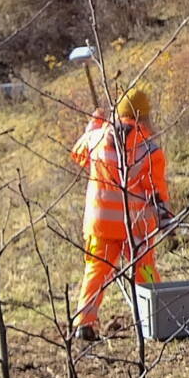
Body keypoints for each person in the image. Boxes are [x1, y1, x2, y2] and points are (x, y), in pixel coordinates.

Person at [71, 84, 172, 341]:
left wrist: (94, 124)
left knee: (96, 271)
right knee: (145, 269)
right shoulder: (149, 150)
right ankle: (155, 319)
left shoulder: (96, 139)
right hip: (134, 226)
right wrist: (165, 220)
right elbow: (155, 191)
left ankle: (85, 322)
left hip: (100, 224)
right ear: (145, 116)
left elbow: (79, 154)